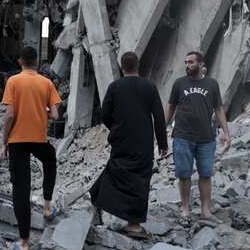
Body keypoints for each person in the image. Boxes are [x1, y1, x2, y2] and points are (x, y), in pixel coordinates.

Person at [89, 51, 167, 239]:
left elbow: (105, 114)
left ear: (122, 67)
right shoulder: (149, 87)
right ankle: (133, 224)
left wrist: (115, 127)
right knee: (139, 181)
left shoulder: (115, 87)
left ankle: (97, 197)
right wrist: (162, 142)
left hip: (121, 139)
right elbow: (158, 117)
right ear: (137, 66)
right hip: (143, 142)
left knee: (117, 170)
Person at [0, 45, 61, 250]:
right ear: (36, 61)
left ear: (20, 62)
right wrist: (40, 108)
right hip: (38, 139)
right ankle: (47, 206)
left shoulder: (13, 82)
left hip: (17, 141)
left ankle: (24, 242)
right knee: (50, 160)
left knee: (21, 190)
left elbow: (9, 115)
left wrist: (4, 141)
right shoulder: (47, 83)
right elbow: (55, 115)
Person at [166, 50, 231, 225]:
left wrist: (226, 132)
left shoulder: (212, 84)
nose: (187, 65)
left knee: (206, 174)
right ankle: (185, 209)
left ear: (201, 64)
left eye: (191, 62)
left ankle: (205, 211)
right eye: (186, 62)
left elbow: (218, 109)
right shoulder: (179, 83)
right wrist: (161, 130)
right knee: (184, 174)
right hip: (182, 136)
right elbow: (171, 107)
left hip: (206, 138)